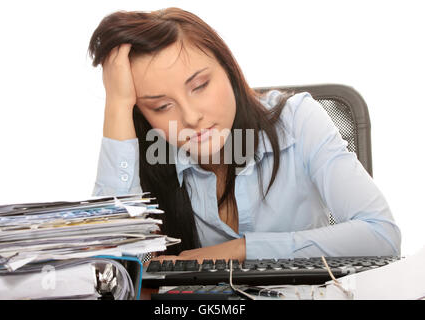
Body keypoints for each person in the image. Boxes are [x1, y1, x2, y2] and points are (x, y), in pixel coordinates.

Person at [87, 7, 401, 263]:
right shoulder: (148, 149)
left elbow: (381, 235)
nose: (191, 117)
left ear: (228, 69)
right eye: (162, 106)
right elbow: (109, 268)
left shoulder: (298, 120)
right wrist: (117, 105)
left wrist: (240, 251)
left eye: (200, 86)